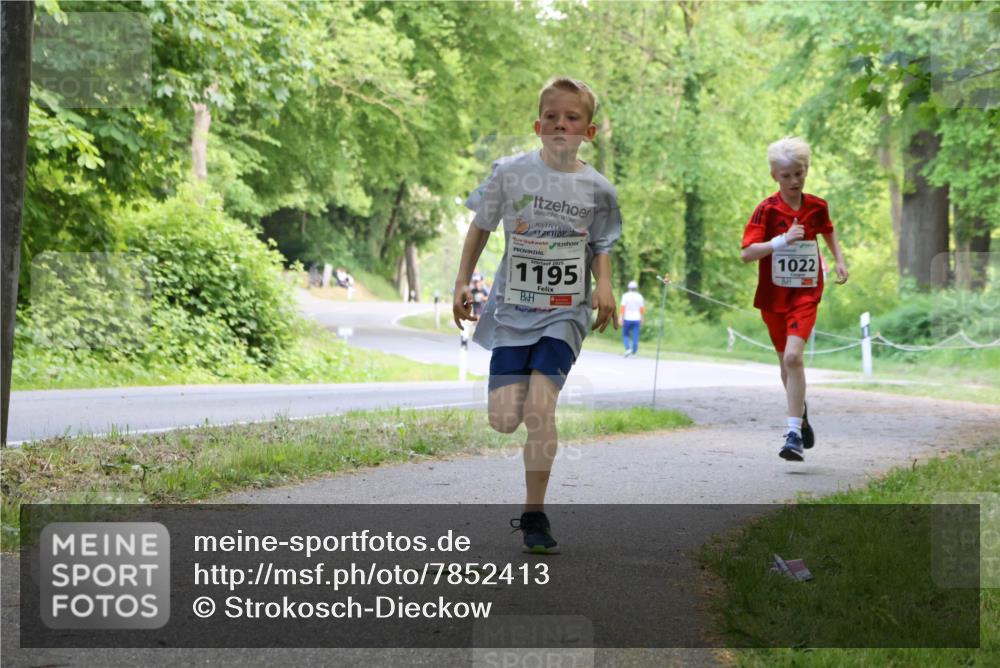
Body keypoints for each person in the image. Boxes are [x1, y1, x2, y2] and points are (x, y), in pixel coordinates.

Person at [454, 76, 621, 553]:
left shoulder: (598, 189)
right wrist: (463, 281)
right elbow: (480, 226)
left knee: (540, 408)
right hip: (513, 310)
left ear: (588, 131)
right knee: (505, 419)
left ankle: (534, 515)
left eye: (572, 118)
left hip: (564, 313)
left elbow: (603, 243)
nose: (561, 125)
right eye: (552, 117)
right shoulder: (509, 173)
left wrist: (603, 283)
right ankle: (523, 427)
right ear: (537, 125)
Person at [740, 136, 848, 462]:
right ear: (774, 175)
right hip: (773, 296)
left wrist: (838, 259)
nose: (793, 181)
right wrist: (781, 241)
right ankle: (799, 413)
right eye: (786, 175)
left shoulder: (817, 205)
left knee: (793, 358)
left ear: (806, 171)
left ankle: (792, 435)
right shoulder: (766, 210)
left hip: (806, 291)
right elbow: (747, 253)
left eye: (798, 174)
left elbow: (827, 228)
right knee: (785, 364)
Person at [620, 280, 645, 357]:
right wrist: (642, 317)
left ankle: (628, 349)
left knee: (625, 334)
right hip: (636, 318)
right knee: (635, 335)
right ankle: (634, 350)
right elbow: (641, 308)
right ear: (636, 288)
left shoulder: (625, 296)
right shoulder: (639, 296)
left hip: (627, 318)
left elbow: (623, 307)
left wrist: (621, 317)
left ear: (629, 288)